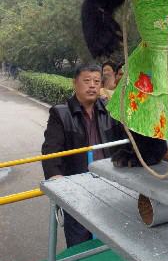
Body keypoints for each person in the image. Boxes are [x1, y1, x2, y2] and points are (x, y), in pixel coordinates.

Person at [41, 63, 126, 247]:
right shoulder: (60, 113)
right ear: (75, 83)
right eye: (87, 81)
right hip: (78, 189)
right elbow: (50, 151)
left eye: (97, 81)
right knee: (80, 242)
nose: (93, 85)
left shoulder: (110, 109)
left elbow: (126, 141)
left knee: (113, 240)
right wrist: (58, 181)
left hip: (109, 186)